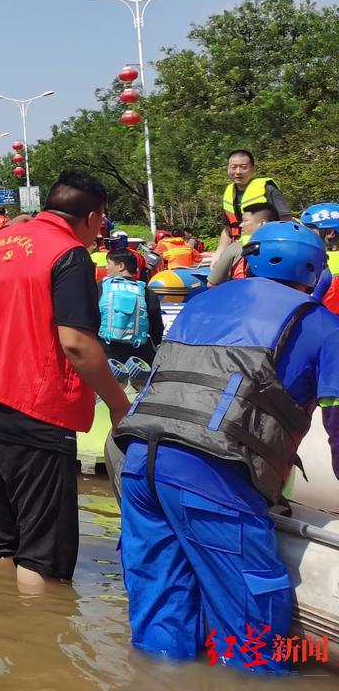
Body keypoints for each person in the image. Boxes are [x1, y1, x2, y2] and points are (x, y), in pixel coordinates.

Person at [114, 221, 339, 667]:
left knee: (162, 614)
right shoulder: (319, 325)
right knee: (250, 636)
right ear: (316, 271)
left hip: (139, 465)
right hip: (212, 476)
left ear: (248, 260)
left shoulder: (202, 302)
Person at [0, 170, 130, 590]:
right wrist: (118, 403)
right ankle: (37, 646)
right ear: (92, 217)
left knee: (3, 538)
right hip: (33, 408)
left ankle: (3, 622)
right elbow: (76, 344)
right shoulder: (70, 255)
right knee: (42, 553)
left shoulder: (4, 241)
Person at [98, 248, 164, 365]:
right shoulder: (147, 292)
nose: (106, 268)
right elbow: (157, 330)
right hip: (138, 356)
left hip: (107, 353)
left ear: (121, 266)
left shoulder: (101, 287)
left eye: (109, 264)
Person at [219, 149, 289, 249]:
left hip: (266, 246)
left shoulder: (268, 188)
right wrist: (219, 253)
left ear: (253, 168)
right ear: (228, 169)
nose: (238, 172)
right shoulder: (228, 193)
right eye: (233, 167)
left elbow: (286, 219)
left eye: (244, 167)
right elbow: (228, 229)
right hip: (239, 246)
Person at [207, 204, 278, 285]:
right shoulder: (285, 248)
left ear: (262, 223)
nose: (240, 225)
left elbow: (211, 285)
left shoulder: (236, 248)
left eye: (245, 221)